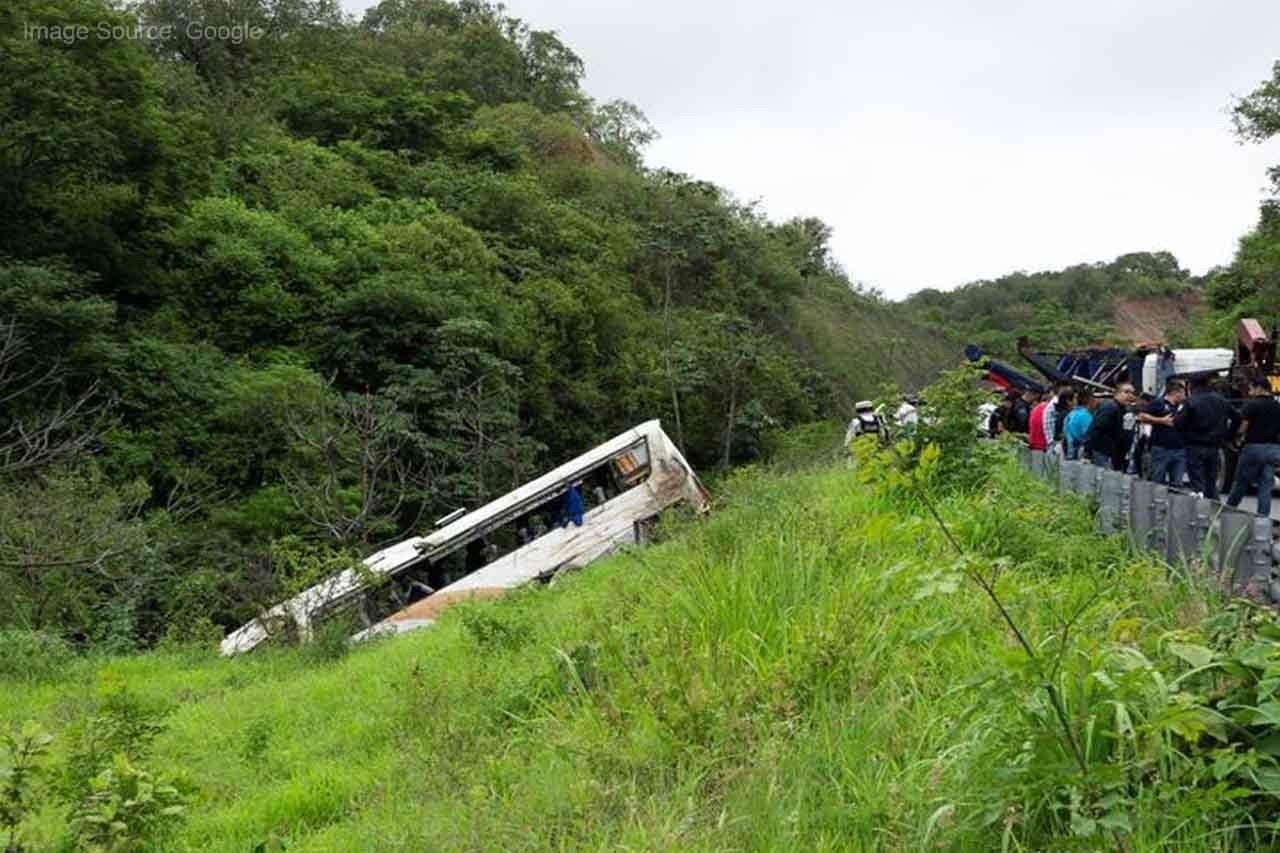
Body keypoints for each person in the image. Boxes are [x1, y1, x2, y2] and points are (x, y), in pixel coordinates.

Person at [1174, 375, 1239, 499]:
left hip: (1194, 445)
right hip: (1214, 446)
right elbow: (1237, 418)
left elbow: (1178, 422)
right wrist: (1229, 435)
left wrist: (1184, 436)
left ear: (1190, 386)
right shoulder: (1221, 400)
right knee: (1211, 481)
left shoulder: (1191, 401)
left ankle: (1200, 511)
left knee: (1197, 483)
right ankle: (1214, 509)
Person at [1225, 378, 1280, 516]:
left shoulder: (1252, 405)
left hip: (1254, 448)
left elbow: (1243, 426)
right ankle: (1263, 518)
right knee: (1266, 485)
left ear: (1260, 388)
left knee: (1240, 482)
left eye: (1251, 388)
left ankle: (1228, 511)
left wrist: (1235, 438)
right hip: (1273, 450)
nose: (1250, 392)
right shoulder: (1278, 406)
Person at [1137, 380, 1186, 486]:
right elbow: (1142, 416)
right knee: (1158, 481)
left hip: (1179, 449)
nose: (1184, 396)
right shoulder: (1159, 403)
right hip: (1161, 448)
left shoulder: (1182, 407)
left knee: (1177, 483)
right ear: (1175, 392)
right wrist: (1161, 420)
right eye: (1183, 393)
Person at [1084, 383, 1138, 470]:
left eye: (1132, 393)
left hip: (1116, 456)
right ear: (1117, 394)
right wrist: (1087, 452)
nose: (1130, 396)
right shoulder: (1110, 408)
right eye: (1126, 392)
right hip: (1102, 453)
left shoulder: (1124, 410)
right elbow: (1096, 429)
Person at [1063, 391, 1096, 460]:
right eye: (1094, 399)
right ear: (1089, 400)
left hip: (1068, 452)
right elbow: (1090, 437)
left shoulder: (1070, 414)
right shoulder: (1085, 416)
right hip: (1079, 455)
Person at [1046, 387, 1075, 456]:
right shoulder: (1066, 414)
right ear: (1068, 400)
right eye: (1075, 398)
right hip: (1061, 448)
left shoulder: (1059, 411)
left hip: (1054, 446)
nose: (1076, 401)